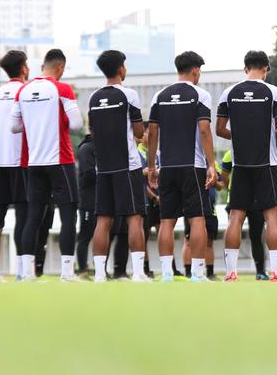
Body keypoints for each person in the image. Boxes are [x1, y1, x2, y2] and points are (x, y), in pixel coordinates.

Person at [146, 51, 220, 282]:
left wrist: (151, 167)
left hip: (167, 167)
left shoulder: (159, 96)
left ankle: (167, 273)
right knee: (197, 219)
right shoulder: (201, 95)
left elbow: (153, 133)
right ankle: (198, 273)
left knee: (167, 221)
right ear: (196, 70)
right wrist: (211, 164)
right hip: (193, 166)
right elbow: (205, 130)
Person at [9, 48, 82, 281]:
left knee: (33, 216)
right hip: (60, 160)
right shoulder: (62, 89)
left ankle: (28, 272)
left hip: (34, 162)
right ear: (60, 67)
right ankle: (67, 273)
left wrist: (35, 122)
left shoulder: (23, 89)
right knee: (69, 215)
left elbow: (14, 127)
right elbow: (77, 125)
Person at [216, 50, 277, 282]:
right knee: (272, 218)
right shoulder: (273, 91)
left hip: (240, 163)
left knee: (235, 217)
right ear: (266, 68)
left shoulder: (229, 92)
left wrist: (239, 139)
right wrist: (264, 138)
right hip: (266, 163)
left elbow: (219, 129)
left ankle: (230, 273)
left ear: (245, 68)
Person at [86, 50, 146, 282]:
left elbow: (92, 130)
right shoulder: (129, 95)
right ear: (121, 68)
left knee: (103, 221)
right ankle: (139, 272)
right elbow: (140, 132)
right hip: (127, 166)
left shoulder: (93, 97)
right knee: (134, 219)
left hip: (104, 168)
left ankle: (100, 273)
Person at [0, 50, 31, 282]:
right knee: (22, 215)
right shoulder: (25, 91)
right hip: (20, 161)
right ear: (23, 69)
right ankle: (22, 271)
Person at [220, 149, 271, 279]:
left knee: (256, 237)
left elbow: (225, 177)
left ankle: (257, 271)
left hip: (245, 198)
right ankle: (254, 272)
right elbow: (224, 176)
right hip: (248, 198)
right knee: (252, 237)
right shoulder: (231, 154)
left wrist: (231, 188)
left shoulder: (230, 153)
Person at [75, 131, 96, 275]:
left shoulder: (100, 147)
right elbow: (88, 173)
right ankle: (82, 269)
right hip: (88, 200)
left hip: (100, 199)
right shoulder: (86, 149)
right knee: (85, 235)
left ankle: (100, 268)